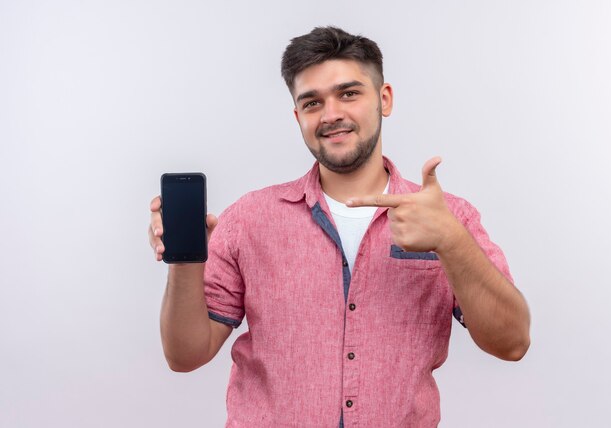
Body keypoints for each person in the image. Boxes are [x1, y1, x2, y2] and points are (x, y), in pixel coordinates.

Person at [148, 26, 530, 428]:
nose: (331, 115)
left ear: (384, 99)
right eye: (312, 103)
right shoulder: (249, 219)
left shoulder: (450, 217)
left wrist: (451, 241)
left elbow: (512, 343)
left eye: (349, 93)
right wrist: (186, 262)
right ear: (298, 116)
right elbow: (185, 356)